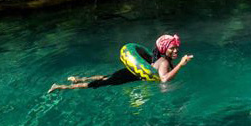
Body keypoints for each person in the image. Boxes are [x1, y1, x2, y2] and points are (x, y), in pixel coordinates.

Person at [47, 34, 193, 92]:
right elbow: (164, 79)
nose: (175, 51)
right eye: (172, 48)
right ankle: (60, 87)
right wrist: (181, 64)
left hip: (130, 72)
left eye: (176, 48)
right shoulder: (164, 63)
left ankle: (78, 78)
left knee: (105, 76)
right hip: (131, 77)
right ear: (164, 49)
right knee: (100, 84)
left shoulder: (158, 58)